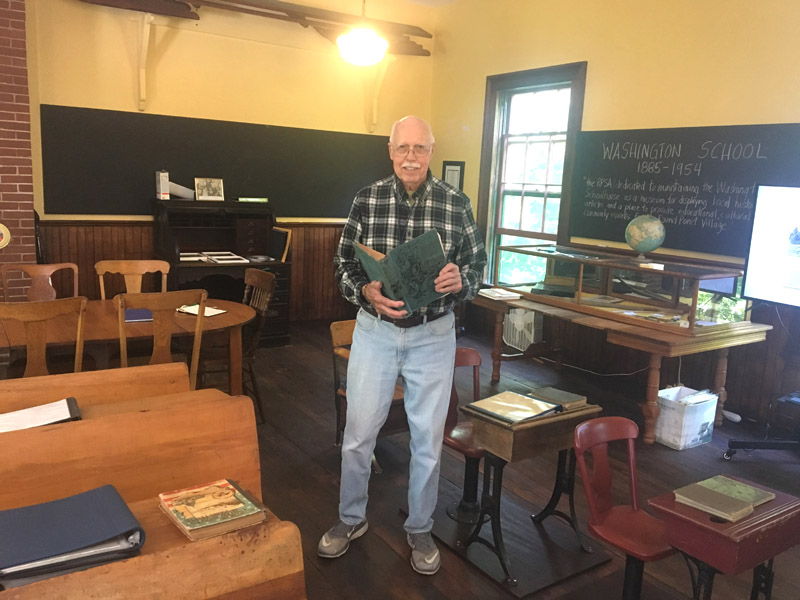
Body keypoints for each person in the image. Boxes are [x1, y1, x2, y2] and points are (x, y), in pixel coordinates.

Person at [318, 115, 487, 575]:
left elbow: (478, 267)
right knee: (358, 435)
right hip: (375, 332)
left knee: (427, 440)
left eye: (420, 148)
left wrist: (461, 279)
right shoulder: (367, 199)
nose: (411, 157)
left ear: (431, 151)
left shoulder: (456, 203)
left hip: (433, 335)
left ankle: (420, 527)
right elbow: (343, 264)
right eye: (403, 148)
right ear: (390, 151)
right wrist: (365, 291)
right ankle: (351, 518)